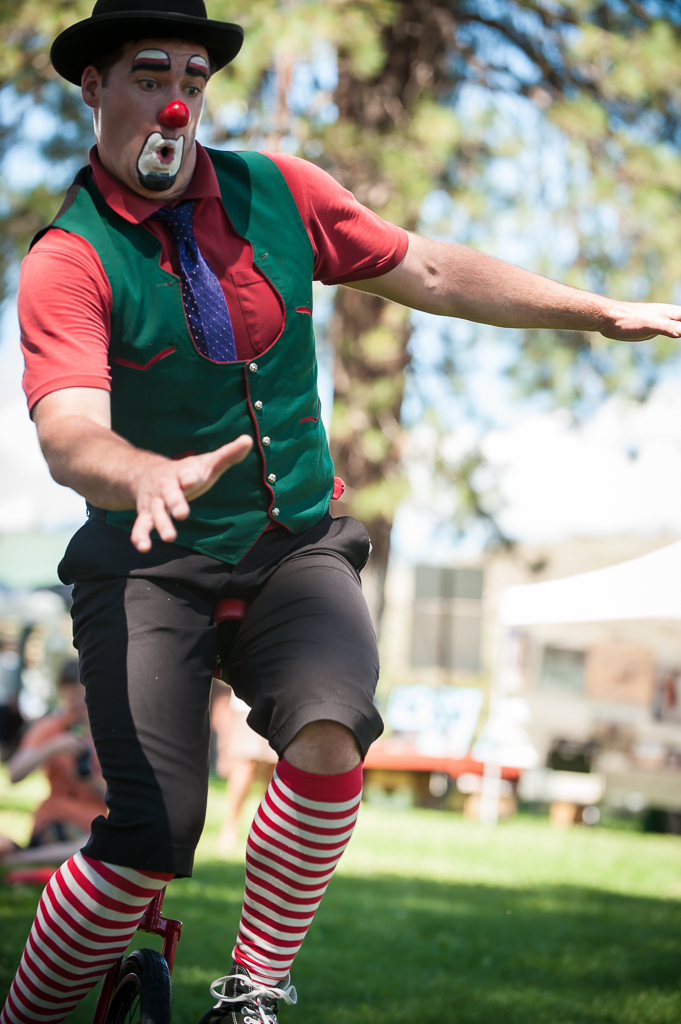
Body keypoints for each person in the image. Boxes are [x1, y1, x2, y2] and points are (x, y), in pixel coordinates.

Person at [3, 1, 681, 1021]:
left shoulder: (280, 192)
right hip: (148, 561)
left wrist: (597, 311)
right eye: (149, 74)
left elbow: (433, 268)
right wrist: (137, 472)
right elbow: (68, 433)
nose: (178, 102)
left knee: (331, 734)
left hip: (292, 543)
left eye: (194, 76)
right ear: (93, 86)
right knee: (148, 840)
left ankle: (251, 992)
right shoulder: (68, 257)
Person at [0, 660, 107, 867]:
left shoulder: (110, 735)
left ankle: (21, 858)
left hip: (94, 825)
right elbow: (14, 774)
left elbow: (121, 800)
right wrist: (53, 747)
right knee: (90, 849)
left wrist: (91, 781)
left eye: (81, 694)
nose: (76, 703)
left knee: (99, 846)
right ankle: (31, 857)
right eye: (70, 695)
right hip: (55, 818)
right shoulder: (52, 727)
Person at [211, 679, 277, 853]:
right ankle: (230, 827)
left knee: (274, 769)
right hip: (248, 701)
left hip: (281, 701)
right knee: (245, 763)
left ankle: (269, 830)